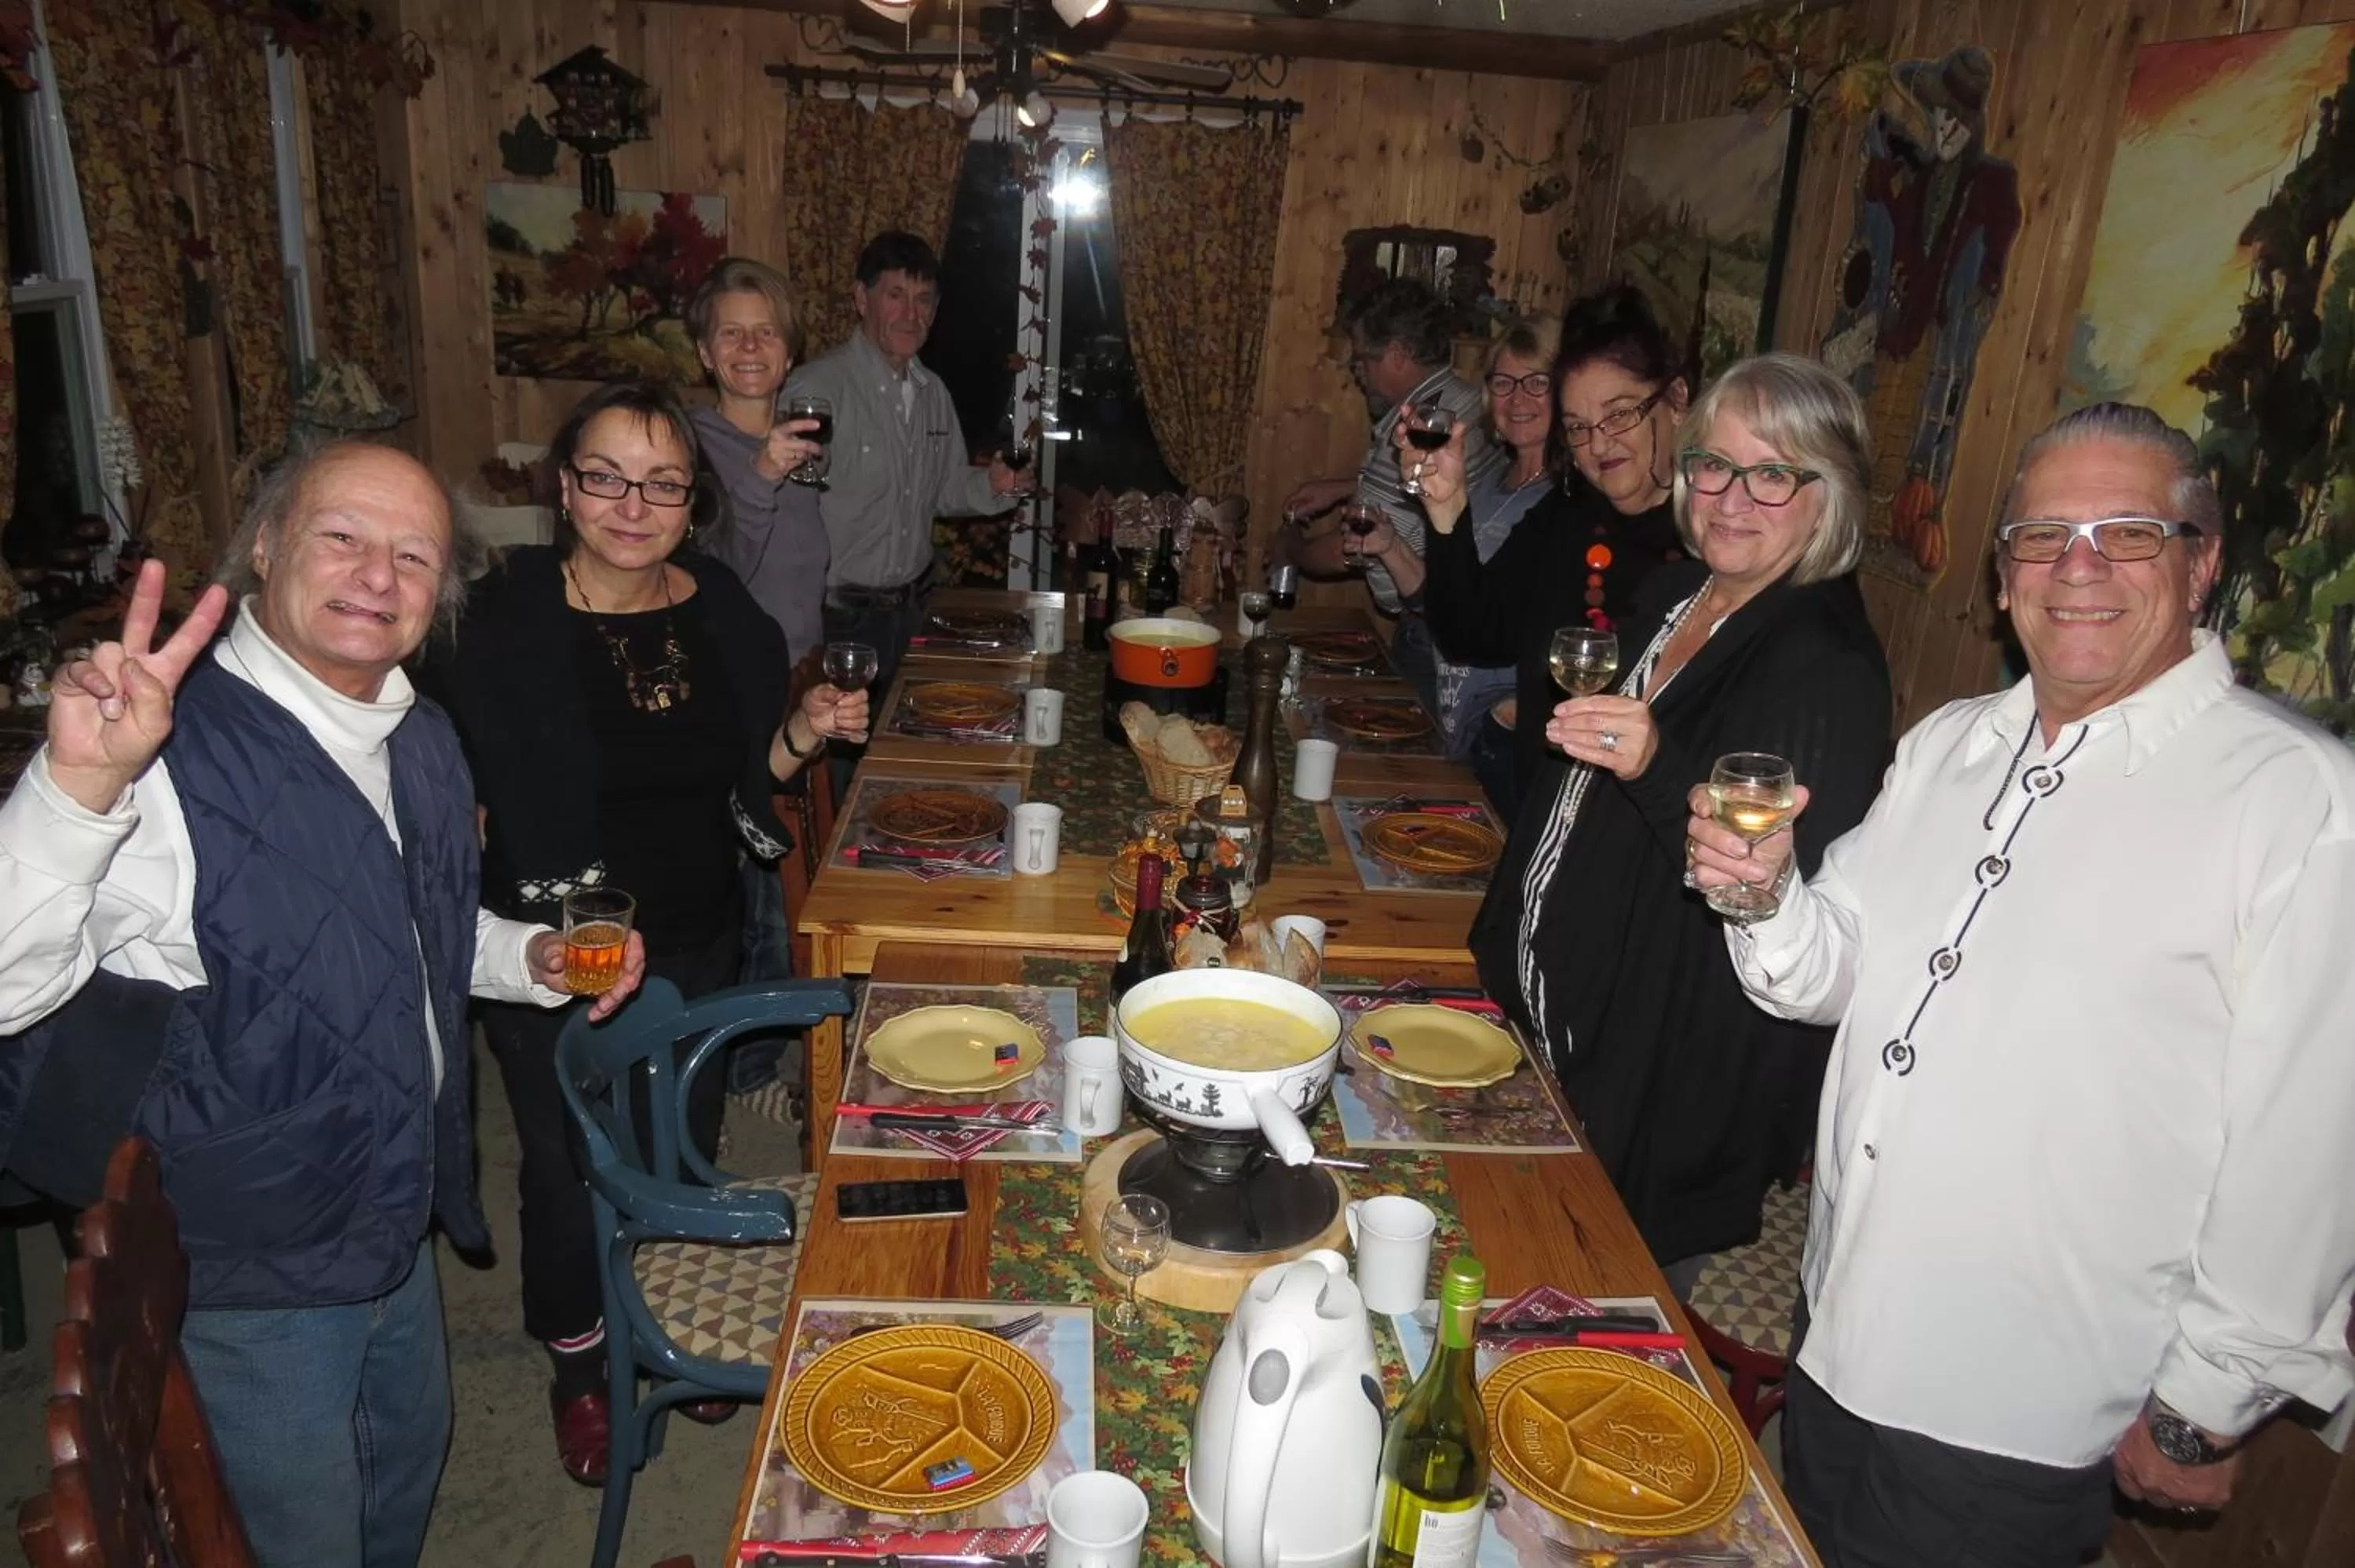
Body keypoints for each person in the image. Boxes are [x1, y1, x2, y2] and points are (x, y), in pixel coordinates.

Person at [1688, 402, 2355, 1567]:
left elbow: (2307, 1159)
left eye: (2129, 533)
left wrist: (2206, 1399)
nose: (2078, 569)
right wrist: (1761, 891)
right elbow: (1835, 963)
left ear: (2201, 567)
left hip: (2016, 1408)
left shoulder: (2298, 801)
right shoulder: (1954, 742)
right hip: (1838, 1327)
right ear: (2002, 581)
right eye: (2042, 538)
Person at [0, 443, 645, 1568]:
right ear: (264, 548)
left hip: (388, 1208)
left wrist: (530, 956)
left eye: (413, 554)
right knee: (303, 1533)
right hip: (251, 1253)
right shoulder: (159, 754)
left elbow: (418, 935)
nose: (377, 575)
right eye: (340, 537)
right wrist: (77, 791)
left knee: (405, 1459)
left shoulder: (419, 739)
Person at [434, 382, 867, 1487]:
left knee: (684, 1134)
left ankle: (677, 1307)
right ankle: (581, 1364)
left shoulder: (720, 610)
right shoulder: (494, 616)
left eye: (664, 482)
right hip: (553, 936)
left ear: (693, 499)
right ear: (566, 488)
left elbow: (742, 781)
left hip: (696, 927)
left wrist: (799, 736)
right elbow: (421, 741)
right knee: (567, 1158)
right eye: (607, 476)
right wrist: (460, 812)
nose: (635, 503)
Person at [1425, 352, 1892, 1299]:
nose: (1733, 497)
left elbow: (1760, 888)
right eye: (1715, 465)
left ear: (1826, 495)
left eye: (1773, 473)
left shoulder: (1822, 661)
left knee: (1566, 1319)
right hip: (1553, 1027)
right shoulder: (1683, 593)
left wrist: (1655, 764)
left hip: (1652, 1087)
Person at [1418, 284, 1698, 808]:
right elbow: (1469, 631)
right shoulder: (1568, 517)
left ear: (1676, 400)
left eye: (1619, 415)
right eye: (1577, 427)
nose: (1598, 444)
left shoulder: (1715, 540)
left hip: (1646, 836)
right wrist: (1447, 507)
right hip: (1540, 812)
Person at [784, 230, 1031, 711]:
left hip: (913, 611)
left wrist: (994, 485)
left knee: (905, 751)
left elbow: (944, 489)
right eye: (895, 296)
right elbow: (792, 492)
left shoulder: (932, 392)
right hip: (838, 621)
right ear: (861, 298)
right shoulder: (817, 388)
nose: (911, 314)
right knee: (841, 770)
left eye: (924, 301)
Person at [1349, 314, 1557, 811]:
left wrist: (1517, 712)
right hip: (1454, 721)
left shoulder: (1564, 505)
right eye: (1504, 382)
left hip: (1504, 740)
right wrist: (1389, 547)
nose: (1517, 399)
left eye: (1537, 382)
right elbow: (1447, 604)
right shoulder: (1487, 486)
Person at [1283, 275, 1500, 717]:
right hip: (1447, 626)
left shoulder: (1425, 423)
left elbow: (1359, 542)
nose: (1357, 372)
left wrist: (1292, 551)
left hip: (1430, 635)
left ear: (1399, 355)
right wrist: (1346, 486)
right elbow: (1414, 495)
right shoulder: (1459, 397)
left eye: (1363, 358)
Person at [686, 256, 829, 670]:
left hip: (802, 677)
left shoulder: (800, 445)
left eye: (767, 332)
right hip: (732, 683)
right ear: (705, 354)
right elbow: (713, 581)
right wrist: (762, 474)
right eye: (731, 332)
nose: (750, 346)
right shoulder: (686, 446)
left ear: (788, 356)